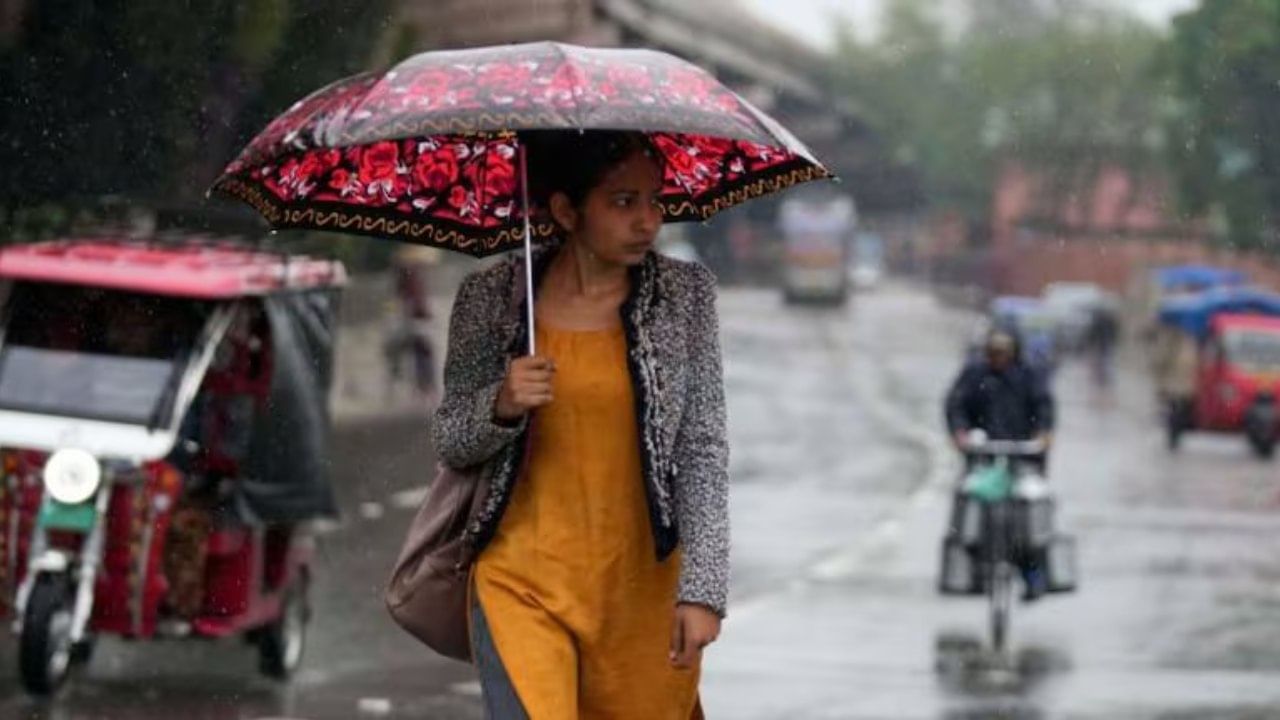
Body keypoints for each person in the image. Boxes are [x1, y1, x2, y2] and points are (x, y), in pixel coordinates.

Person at [431, 131, 729, 719]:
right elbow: (450, 440)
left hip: (640, 591)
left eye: (655, 199)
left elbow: (702, 447)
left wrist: (704, 590)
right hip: (520, 581)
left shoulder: (686, 296)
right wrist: (501, 403)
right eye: (623, 202)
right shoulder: (491, 300)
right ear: (567, 210)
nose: (648, 221)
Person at [945, 329, 1056, 600]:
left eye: (1004, 353)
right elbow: (956, 404)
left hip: (1023, 458)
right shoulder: (975, 375)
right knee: (969, 503)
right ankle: (970, 568)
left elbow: (1044, 407)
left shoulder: (1028, 376)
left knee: (1031, 512)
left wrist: (1042, 434)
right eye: (994, 353)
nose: (999, 358)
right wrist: (961, 433)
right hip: (983, 458)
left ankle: (1034, 575)